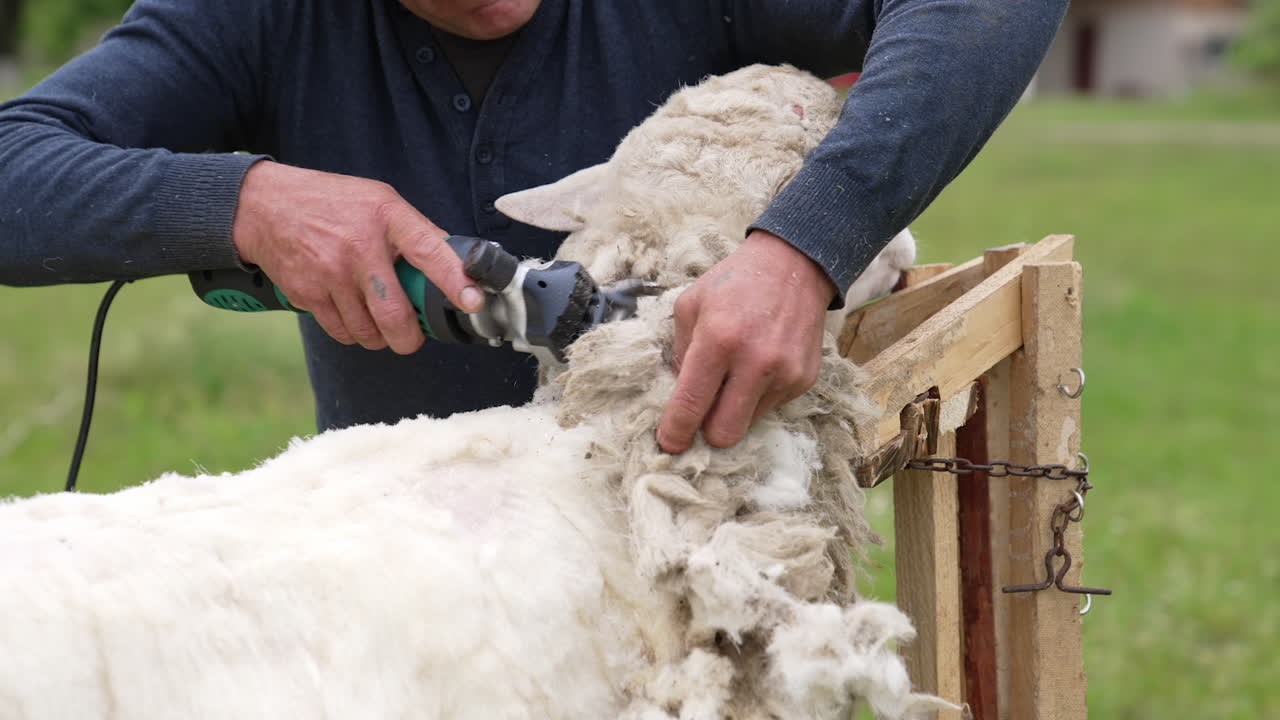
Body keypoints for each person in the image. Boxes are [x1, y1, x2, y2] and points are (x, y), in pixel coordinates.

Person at [0, 0, 1066, 454]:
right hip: (413, 555)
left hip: (677, 518)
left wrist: (801, 249)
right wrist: (241, 201)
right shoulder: (255, 19)